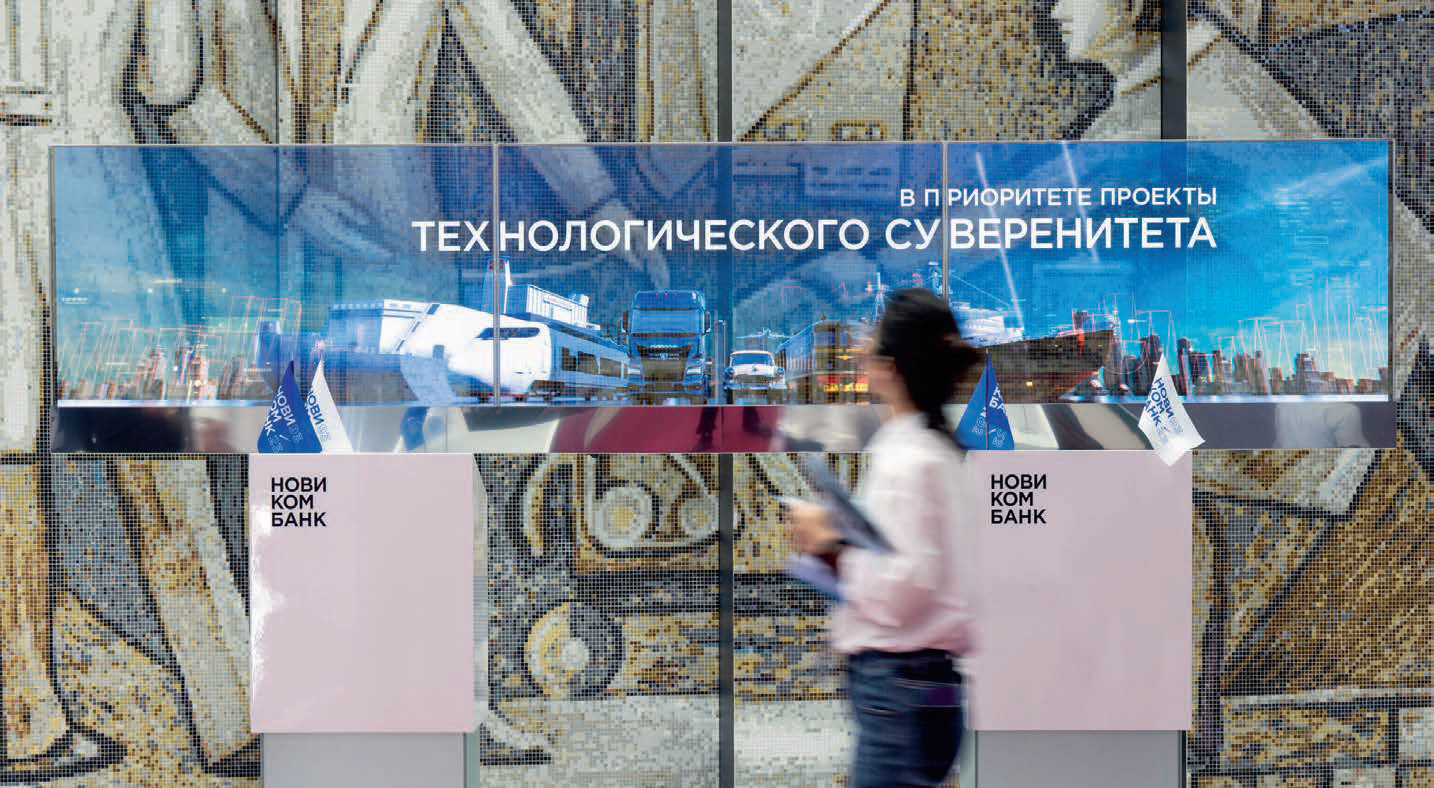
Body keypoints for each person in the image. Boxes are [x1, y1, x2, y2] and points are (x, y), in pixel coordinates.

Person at [785, 288, 982, 787]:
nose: (860, 354)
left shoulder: (907, 459)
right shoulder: (941, 452)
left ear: (891, 368)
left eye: (870, 347)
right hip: (928, 688)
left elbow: (901, 589)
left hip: (899, 694)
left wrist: (830, 543)